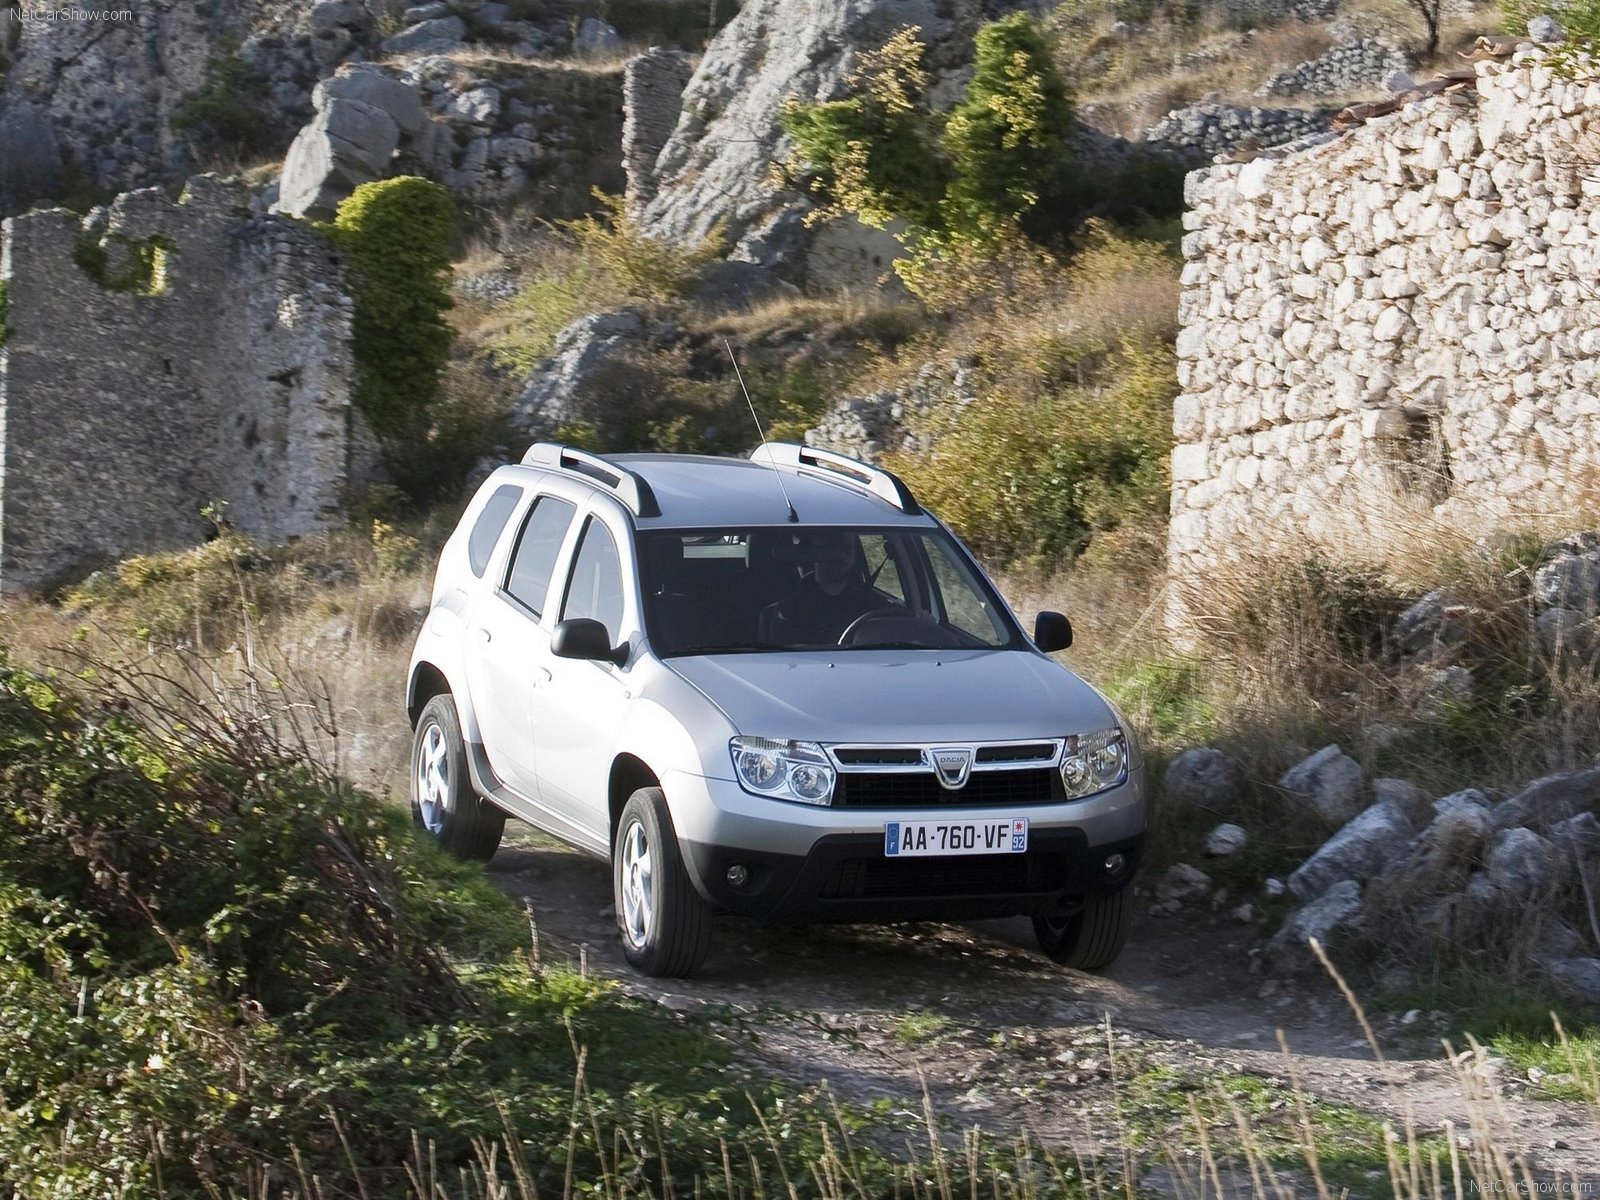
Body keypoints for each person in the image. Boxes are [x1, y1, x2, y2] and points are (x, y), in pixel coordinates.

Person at [760, 530, 882, 645]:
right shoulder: (790, 609)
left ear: (855, 556)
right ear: (812, 554)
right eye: (831, 548)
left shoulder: (873, 605)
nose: (840, 554)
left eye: (847, 548)